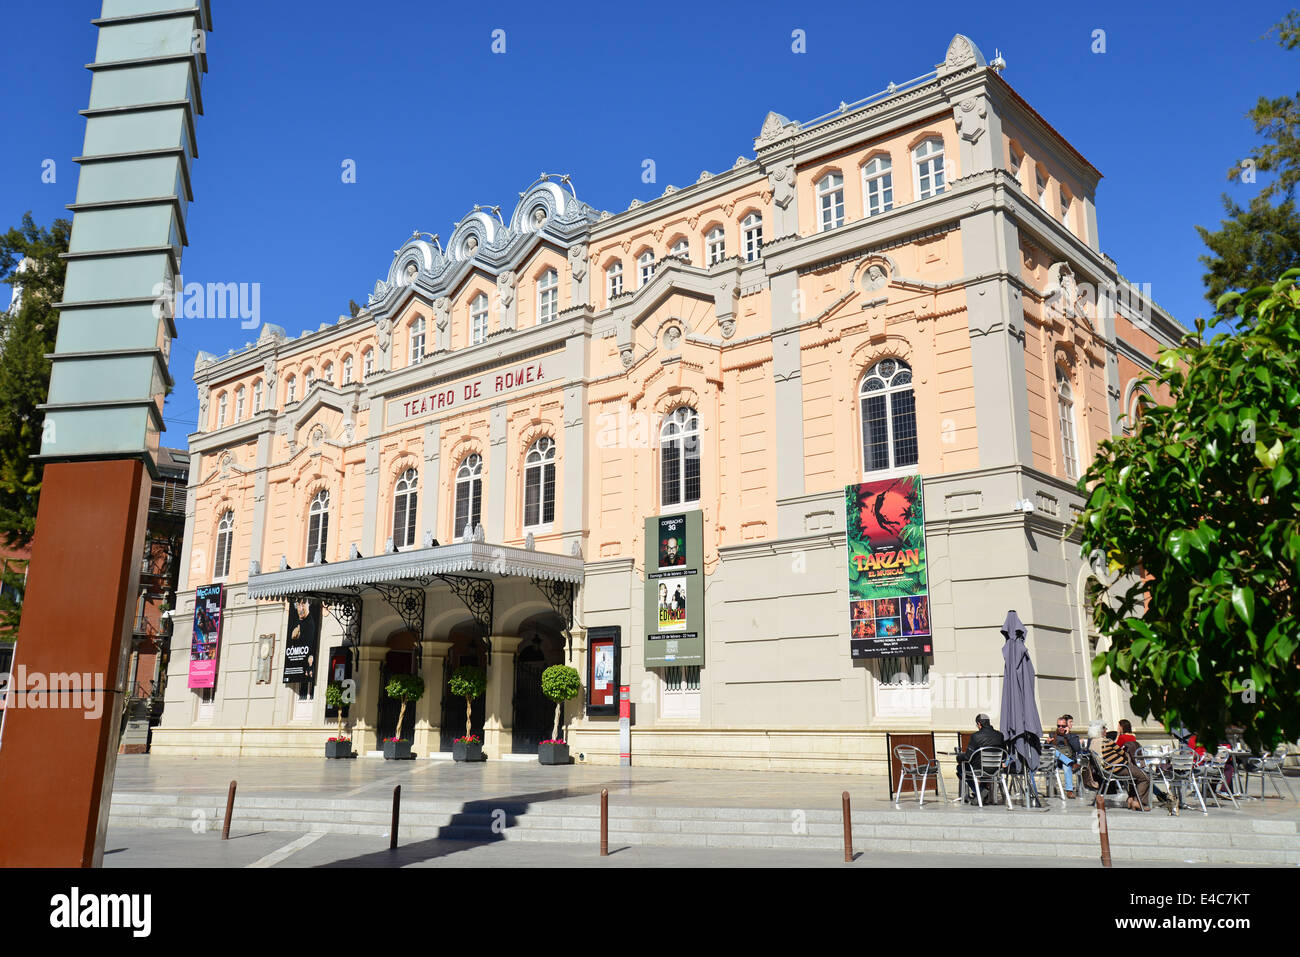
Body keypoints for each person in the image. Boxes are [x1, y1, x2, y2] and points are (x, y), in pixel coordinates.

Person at [956, 714, 1005, 804]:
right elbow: (1005, 755)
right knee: (982, 770)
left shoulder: (976, 736)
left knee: (960, 768)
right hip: (996, 769)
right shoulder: (1000, 735)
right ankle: (982, 794)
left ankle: (981, 791)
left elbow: (967, 757)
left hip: (979, 769)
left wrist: (959, 757)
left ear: (979, 724)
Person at [1043, 715, 1083, 798]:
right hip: (1055, 762)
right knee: (1053, 749)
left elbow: (1077, 748)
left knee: (1066, 765)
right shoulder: (1052, 735)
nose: (1060, 727)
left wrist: (1068, 735)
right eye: (1059, 726)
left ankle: (1069, 791)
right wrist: (1046, 743)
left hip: (1066, 760)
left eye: (1063, 726)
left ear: (1067, 726)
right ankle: (1071, 763)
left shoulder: (1073, 736)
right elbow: (1046, 750)